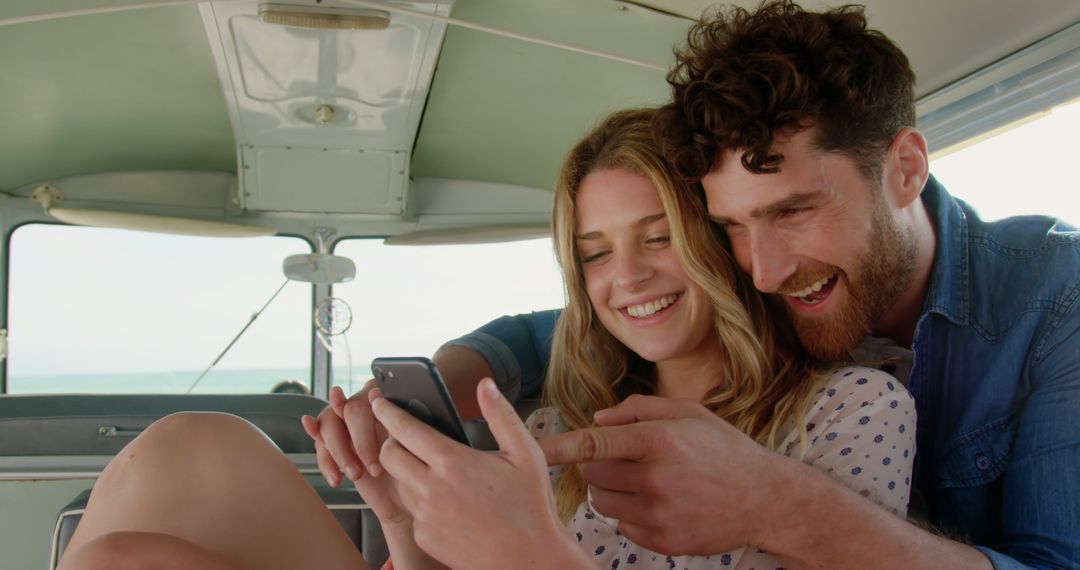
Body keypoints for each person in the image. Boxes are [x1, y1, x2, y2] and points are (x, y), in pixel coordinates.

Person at [315, 2, 1080, 569]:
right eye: (731, 229)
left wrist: (772, 500)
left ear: (907, 170)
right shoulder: (627, 372)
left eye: (794, 211)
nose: (764, 270)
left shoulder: (1054, 301)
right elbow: (560, 328)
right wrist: (411, 430)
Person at [320, 107, 914, 570]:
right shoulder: (558, 429)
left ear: (721, 237)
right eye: (596, 254)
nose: (627, 278)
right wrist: (400, 516)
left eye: (658, 239)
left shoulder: (852, 411)